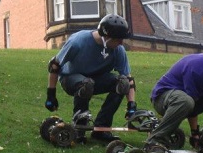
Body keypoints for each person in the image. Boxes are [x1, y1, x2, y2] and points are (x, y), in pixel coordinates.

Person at [44, 14, 137, 144]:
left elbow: (129, 79)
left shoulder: (118, 50)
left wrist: (131, 105)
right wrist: (51, 95)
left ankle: (101, 129)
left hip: (96, 80)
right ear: (107, 37)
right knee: (86, 83)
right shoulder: (78, 41)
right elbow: (54, 66)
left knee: (122, 83)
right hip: (70, 79)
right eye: (119, 39)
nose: (122, 43)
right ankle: (79, 128)